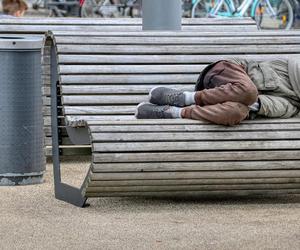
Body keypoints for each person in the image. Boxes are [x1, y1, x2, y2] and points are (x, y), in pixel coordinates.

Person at [135, 58, 300, 126]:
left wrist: (249, 105)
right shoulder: (292, 67)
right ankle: (185, 97)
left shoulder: (292, 106)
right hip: (223, 74)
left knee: (237, 112)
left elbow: (263, 106)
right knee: (249, 91)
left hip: (228, 101)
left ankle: (174, 112)